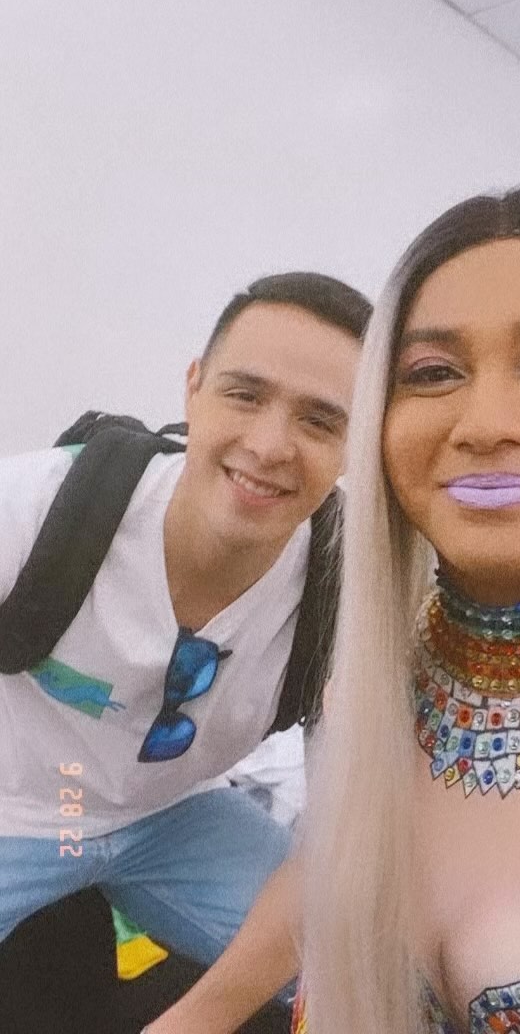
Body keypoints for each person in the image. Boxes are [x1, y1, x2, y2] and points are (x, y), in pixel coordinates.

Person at [149, 188, 520, 1034]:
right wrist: (193, 1018)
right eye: (431, 374)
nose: (484, 424)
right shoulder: (378, 682)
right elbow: (334, 869)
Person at [0, 272, 370, 990]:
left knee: (366, 971)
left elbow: (351, 829)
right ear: (193, 389)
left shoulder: (345, 588)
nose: (269, 445)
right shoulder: (41, 507)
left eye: (320, 421)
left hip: (171, 818)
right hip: (16, 807)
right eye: (245, 395)